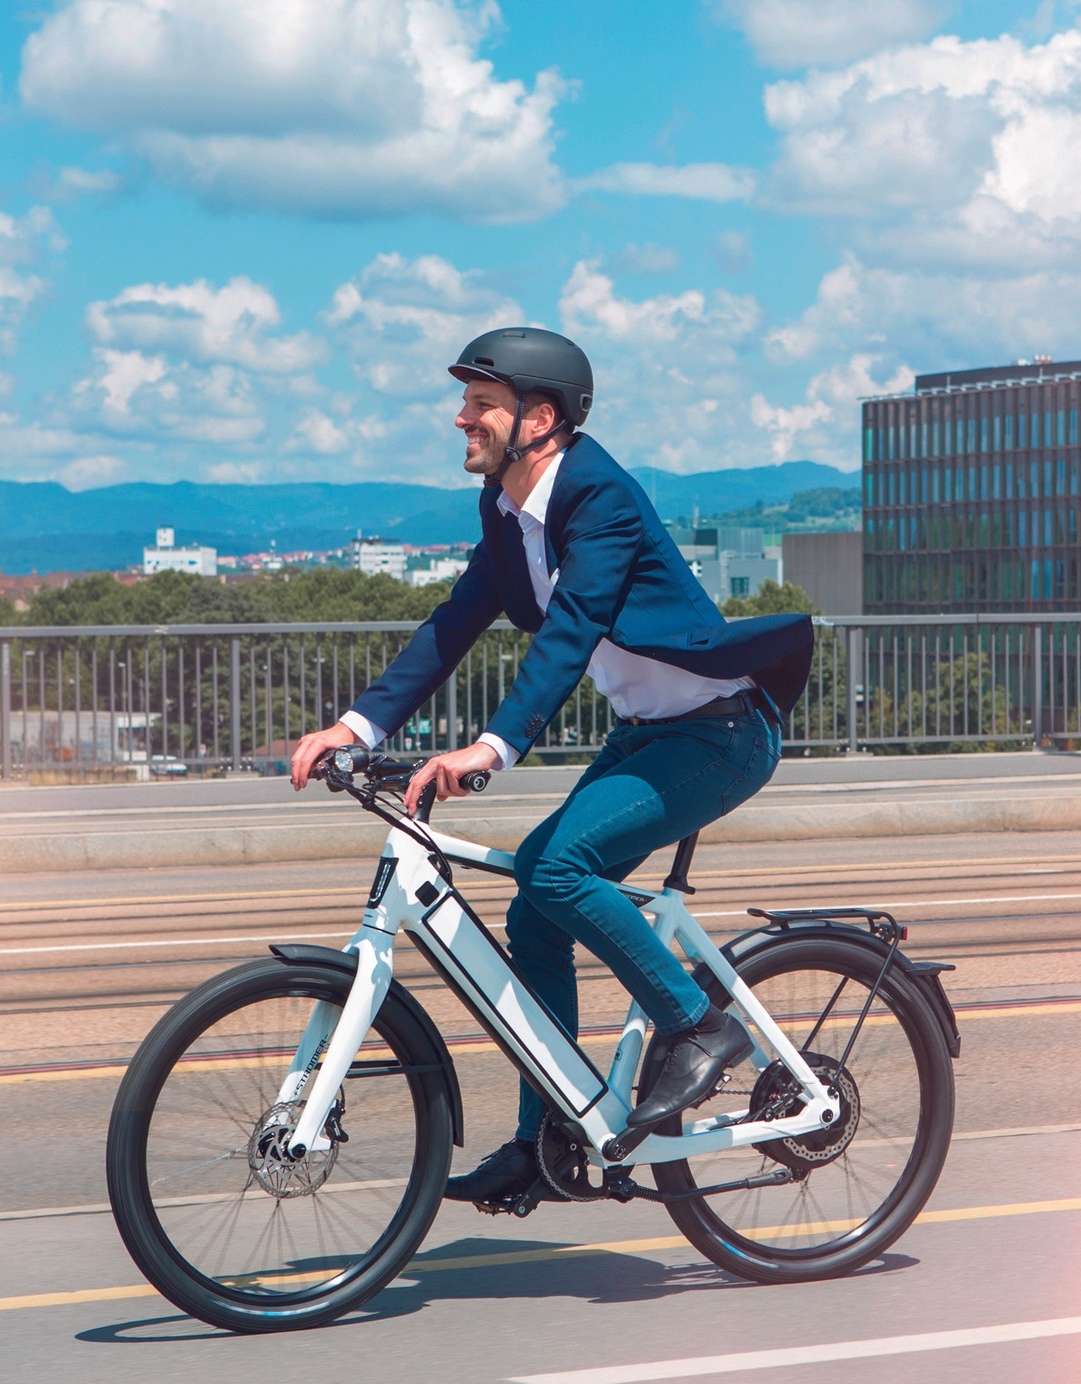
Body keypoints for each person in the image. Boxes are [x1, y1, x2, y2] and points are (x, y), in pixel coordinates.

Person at [290, 327, 813, 1209]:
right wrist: (354, 724)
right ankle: (546, 1141)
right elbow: (454, 623)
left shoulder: (599, 497)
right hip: (650, 732)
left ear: (540, 418)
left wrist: (489, 750)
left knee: (555, 867)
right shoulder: (503, 510)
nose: (461, 418)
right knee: (536, 905)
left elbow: (569, 633)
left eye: (479, 403)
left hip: (720, 731)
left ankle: (697, 1025)